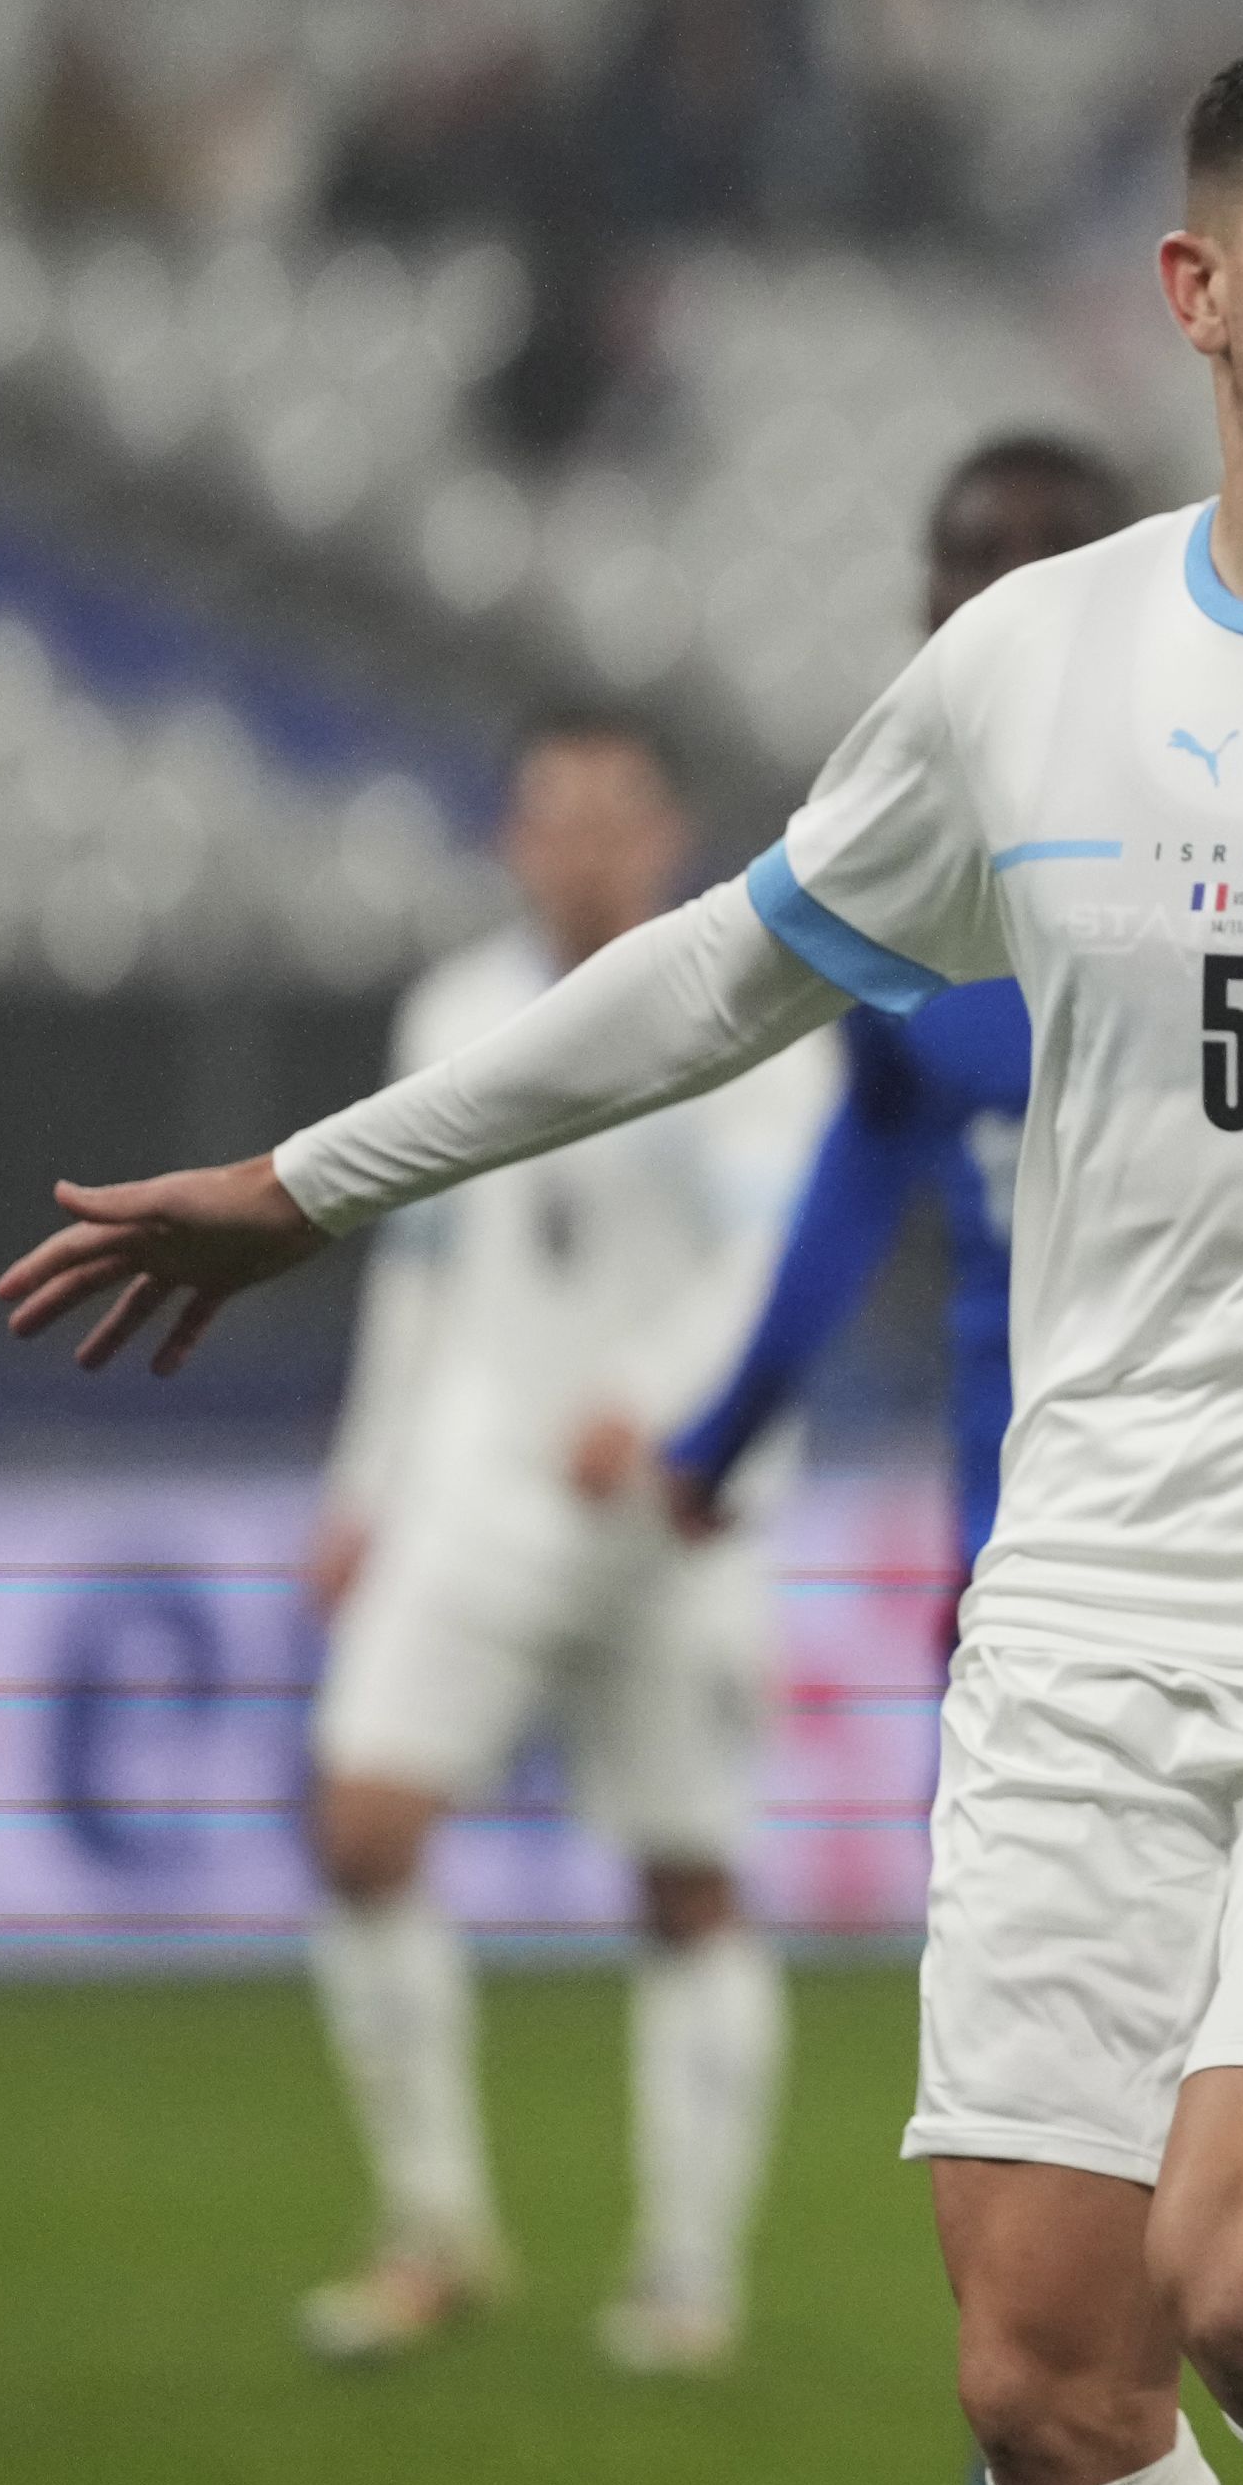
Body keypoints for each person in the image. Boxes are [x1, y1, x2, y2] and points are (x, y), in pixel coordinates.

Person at [0, 19, 1243, 2485]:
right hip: (1086, 1606)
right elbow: (723, 975)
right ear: (1193, 285)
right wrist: (316, 1183)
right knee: (1046, 2389)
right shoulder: (1035, 664)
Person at [655, 430, 1136, 2485]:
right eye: (967, 561)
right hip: (1019, 1579)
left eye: (1044, 554)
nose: (999, 590)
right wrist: (725, 1430)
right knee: (1041, 2103)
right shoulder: (909, 922)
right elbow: (851, 1191)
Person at [293, 708, 836, 2372]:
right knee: (363, 1829)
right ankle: (435, 2229)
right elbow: (420, 1275)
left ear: (664, 837)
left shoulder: (754, 1011)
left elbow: (772, 1262)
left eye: (615, 816)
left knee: (688, 1883)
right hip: (481, 1483)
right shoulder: (454, 1010)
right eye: (556, 818)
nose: (585, 848)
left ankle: (685, 2270)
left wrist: (662, 1401)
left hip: (674, 1505)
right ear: (515, 839)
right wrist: (364, 1487)